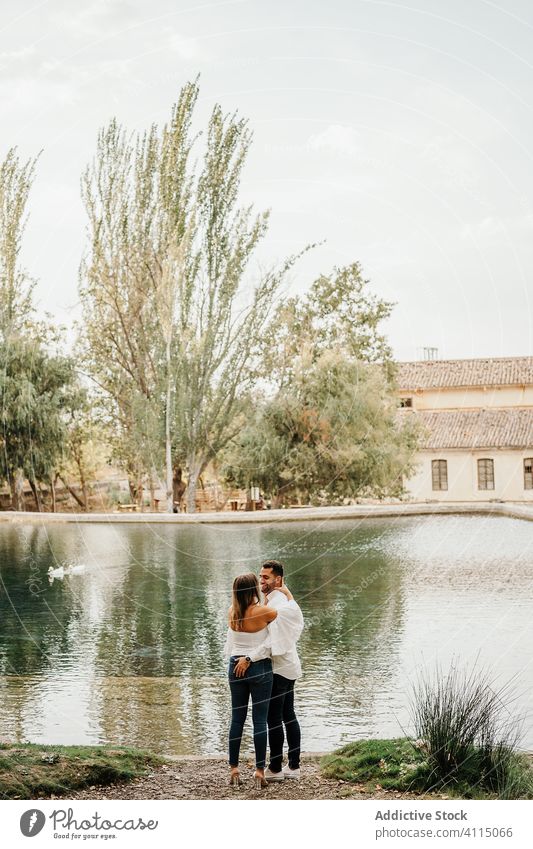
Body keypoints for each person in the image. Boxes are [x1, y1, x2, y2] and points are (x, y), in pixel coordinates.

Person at [230, 560, 304, 782]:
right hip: (283, 664)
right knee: (287, 715)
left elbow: (272, 641)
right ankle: (293, 766)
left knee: (275, 717)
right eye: (260, 577)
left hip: (279, 666)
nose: (262, 580)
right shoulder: (272, 601)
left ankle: (276, 768)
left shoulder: (278, 604)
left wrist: (248, 658)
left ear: (278, 580)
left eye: (266, 577)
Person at [224, 573, 277, 789]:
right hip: (259, 667)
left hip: (234, 664)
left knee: (237, 719)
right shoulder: (265, 611)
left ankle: (234, 769)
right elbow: (286, 618)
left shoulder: (231, 612)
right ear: (254, 588)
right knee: (260, 720)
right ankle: (259, 771)